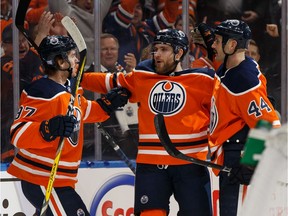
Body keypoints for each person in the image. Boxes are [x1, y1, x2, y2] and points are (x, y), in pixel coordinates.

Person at [81, 28, 214, 216]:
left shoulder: (203, 80)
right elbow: (107, 82)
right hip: (151, 166)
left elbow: (225, 111)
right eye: (156, 49)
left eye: (164, 49)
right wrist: (76, 78)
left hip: (190, 164)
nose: (157, 54)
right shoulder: (143, 77)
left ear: (179, 52)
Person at [6, 35, 130, 215]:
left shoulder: (68, 88)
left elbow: (84, 111)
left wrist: (107, 105)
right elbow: (17, 133)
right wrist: (48, 128)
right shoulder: (42, 91)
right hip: (41, 178)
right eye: (72, 56)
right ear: (59, 61)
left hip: (59, 179)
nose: (77, 60)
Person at [209, 19, 281, 216]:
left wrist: (250, 161)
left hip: (239, 156)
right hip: (231, 152)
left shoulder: (243, 79)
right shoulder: (230, 68)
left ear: (232, 45)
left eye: (217, 41)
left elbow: (269, 123)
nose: (213, 45)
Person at [84, 33, 138, 160]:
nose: (109, 52)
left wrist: (133, 75)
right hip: (99, 146)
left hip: (128, 146)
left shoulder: (124, 74)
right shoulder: (88, 77)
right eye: (105, 49)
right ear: (96, 52)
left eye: (112, 49)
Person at [1, 23, 44, 162]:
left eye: (24, 40)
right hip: (8, 140)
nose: (22, 45)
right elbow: (21, 74)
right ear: (3, 45)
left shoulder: (35, 61)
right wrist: (39, 40)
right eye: (15, 42)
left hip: (34, 133)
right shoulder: (3, 64)